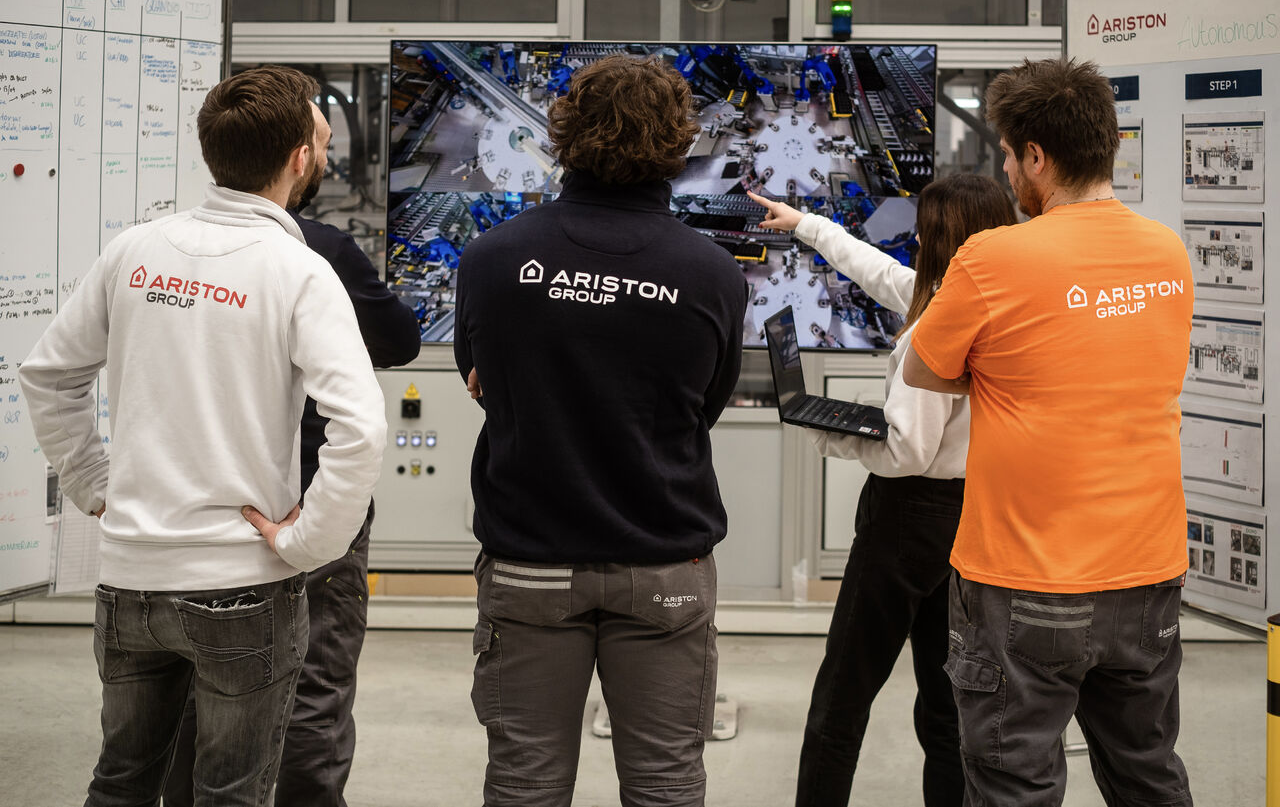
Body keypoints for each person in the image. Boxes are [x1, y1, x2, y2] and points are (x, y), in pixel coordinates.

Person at [18, 65, 388, 807]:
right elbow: (361, 425)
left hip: (131, 578)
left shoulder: (136, 250)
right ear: (299, 160)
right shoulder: (299, 271)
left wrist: (95, 485)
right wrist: (309, 541)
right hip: (244, 584)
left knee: (121, 780)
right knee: (232, 793)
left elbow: (46, 375)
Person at [453, 54, 748, 807]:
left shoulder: (491, 259)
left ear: (562, 135)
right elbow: (703, 408)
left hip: (529, 560)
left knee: (524, 784)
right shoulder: (712, 272)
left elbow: (483, 383)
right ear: (677, 144)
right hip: (663, 565)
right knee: (665, 783)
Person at [902, 57, 1194, 806]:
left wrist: (1004, 374)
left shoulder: (993, 257)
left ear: (1037, 156)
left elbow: (926, 372)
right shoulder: (1166, 252)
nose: (1004, 168)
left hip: (1024, 578)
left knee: (1012, 786)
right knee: (1147, 772)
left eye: (1005, 152)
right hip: (1148, 571)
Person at [162, 145, 421, 807]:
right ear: (300, 162)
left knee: (201, 680)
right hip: (309, 503)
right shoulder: (325, 252)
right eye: (324, 148)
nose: (330, 162)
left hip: (200, 502)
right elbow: (400, 340)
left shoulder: (165, 246)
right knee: (315, 685)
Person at [748, 175, 1015, 807]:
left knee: (841, 698)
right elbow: (881, 275)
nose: (916, 236)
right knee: (945, 704)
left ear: (946, 239)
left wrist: (828, 432)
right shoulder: (988, 307)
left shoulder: (933, 329)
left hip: (905, 521)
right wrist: (805, 225)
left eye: (926, 227)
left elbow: (907, 450)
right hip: (965, 518)